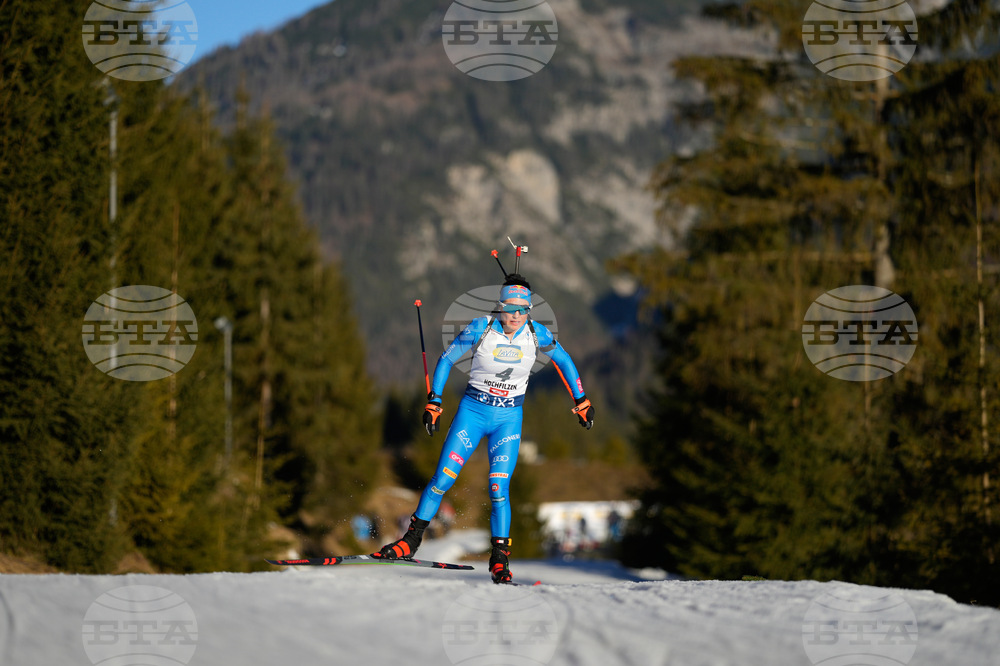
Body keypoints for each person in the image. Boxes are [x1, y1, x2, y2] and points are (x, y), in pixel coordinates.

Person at [372, 273, 595, 583]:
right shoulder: (481, 329)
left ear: (529, 310)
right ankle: (410, 541)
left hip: (508, 420)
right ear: (499, 306)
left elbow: (565, 361)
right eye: (510, 308)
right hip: (472, 414)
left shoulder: (536, 334)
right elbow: (447, 359)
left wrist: (581, 401)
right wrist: (434, 401)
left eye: (523, 309)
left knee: (498, 489)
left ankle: (500, 559)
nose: (516, 315)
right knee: (442, 480)